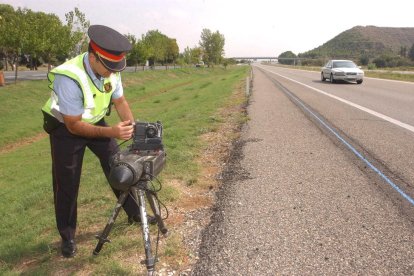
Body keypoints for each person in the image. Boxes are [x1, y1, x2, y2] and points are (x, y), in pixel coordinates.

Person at [41, 25, 152, 258]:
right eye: (108, 68)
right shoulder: (68, 77)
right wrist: (112, 131)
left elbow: (120, 102)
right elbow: (74, 125)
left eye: (115, 68)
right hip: (65, 128)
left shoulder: (111, 68)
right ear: (93, 57)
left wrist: (132, 127)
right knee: (67, 183)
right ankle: (68, 236)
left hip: (96, 120)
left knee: (119, 166)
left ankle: (133, 213)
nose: (112, 73)